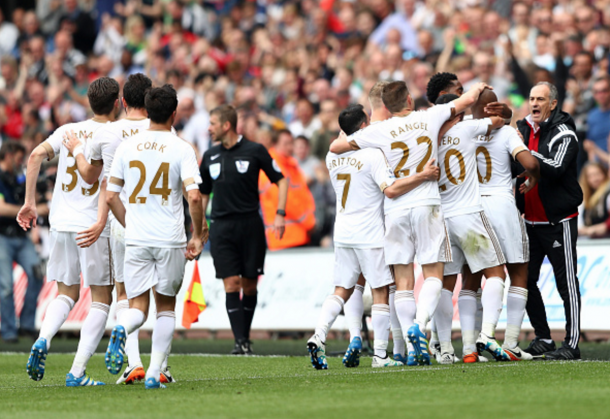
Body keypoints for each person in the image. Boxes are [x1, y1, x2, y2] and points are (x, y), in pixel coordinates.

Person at [330, 80, 491, 365]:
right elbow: (464, 102)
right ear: (408, 101)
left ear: (386, 106)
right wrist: (478, 87)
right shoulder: (428, 117)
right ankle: (419, 323)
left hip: (395, 209)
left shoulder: (377, 130)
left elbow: (337, 146)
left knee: (403, 283)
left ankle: (408, 341)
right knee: (433, 275)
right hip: (426, 204)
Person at [307, 103, 438, 370]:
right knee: (380, 291)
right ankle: (380, 355)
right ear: (364, 126)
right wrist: (422, 176)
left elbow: (337, 143)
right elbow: (390, 189)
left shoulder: (332, 157)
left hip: (342, 232)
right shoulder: (372, 155)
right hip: (370, 232)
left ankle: (318, 335)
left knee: (342, 289)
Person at [63, 73, 174, 385]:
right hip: (163, 223)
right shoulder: (164, 129)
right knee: (163, 298)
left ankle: (134, 363)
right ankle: (160, 367)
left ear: (122, 102)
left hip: (124, 221)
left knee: (126, 294)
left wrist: (76, 149)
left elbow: (93, 178)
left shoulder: (109, 132)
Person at [17, 77, 119, 386]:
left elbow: (34, 155)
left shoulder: (67, 131)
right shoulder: (112, 135)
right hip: (92, 226)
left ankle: (44, 339)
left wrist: (30, 203)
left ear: (88, 102)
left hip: (60, 223)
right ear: (117, 104)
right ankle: (76, 371)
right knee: (102, 298)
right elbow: (97, 180)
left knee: (66, 293)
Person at [104, 84, 204, 390]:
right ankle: (153, 373)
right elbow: (195, 197)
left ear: (147, 111)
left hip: (136, 238)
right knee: (165, 307)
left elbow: (110, 196)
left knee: (137, 307)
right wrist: (198, 235)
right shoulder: (182, 147)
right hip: (169, 238)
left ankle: (122, 328)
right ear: (174, 114)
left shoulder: (127, 146)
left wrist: (130, 222)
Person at [199, 104, 288, 355]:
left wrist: (280, 214)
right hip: (221, 228)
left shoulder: (255, 150)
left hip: (250, 226)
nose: (209, 128)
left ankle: (245, 338)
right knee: (231, 283)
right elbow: (203, 193)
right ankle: (239, 342)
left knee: (249, 285)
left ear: (226, 125)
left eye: (212, 123)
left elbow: (281, 180)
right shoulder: (209, 156)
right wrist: (199, 225)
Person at [434, 92, 508, 363]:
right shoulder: (467, 128)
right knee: (496, 273)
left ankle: (448, 349)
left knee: (446, 283)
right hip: (469, 215)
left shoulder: (427, 138)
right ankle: (486, 334)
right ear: (459, 112)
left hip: (441, 218)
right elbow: (498, 121)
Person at [471, 89, 541, 362]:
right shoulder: (507, 133)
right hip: (500, 205)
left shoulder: (463, 131)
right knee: (518, 272)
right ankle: (510, 342)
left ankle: (471, 344)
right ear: (495, 107)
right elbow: (530, 163)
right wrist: (532, 176)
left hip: (471, 208)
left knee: (475, 279)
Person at [515, 82, 584, 360]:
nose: (534, 103)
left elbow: (555, 168)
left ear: (552, 104)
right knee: (525, 280)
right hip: (530, 221)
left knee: (566, 283)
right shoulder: (522, 130)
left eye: (540, 99)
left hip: (559, 221)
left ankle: (573, 343)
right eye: (531, 98)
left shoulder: (564, 133)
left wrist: (524, 155)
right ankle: (543, 337)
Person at [0, 141, 44, 343]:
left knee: (36, 274)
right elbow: (1, 208)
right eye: (18, 158)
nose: (20, 161)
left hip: (21, 235)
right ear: (8, 155)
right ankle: (8, 331)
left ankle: (26, 324)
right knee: (6, 285)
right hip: (3, 236)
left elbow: (32, 197)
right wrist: (24, 210)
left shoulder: (19, 176)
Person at [259, 130, 316, 250]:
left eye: (292, 143)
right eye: (286, 143)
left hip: (299, 235)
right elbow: (286, 201)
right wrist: (309, 222)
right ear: (275, 144)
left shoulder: (291, 165)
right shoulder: (271, 167)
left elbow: (304, 193)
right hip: (283, 238)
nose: (290, 147)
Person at [578, 162, 610, 238]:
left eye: (597, 174)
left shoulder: (608, 193)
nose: (595, 179)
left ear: (604, 174)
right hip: (593, 244)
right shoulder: (587, 197)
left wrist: (604, 227)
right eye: (590, 176)